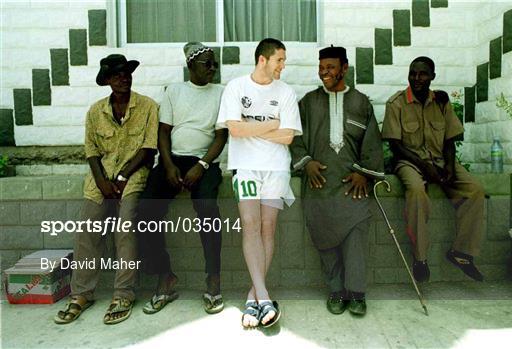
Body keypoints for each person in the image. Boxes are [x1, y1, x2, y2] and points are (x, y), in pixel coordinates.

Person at [54, 54, 158, 324]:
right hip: (101, 180)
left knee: (125, 227)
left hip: (134, 177)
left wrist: (123, 176)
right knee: (88, 229)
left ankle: (123, 293)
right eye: (116, 75)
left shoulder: (147, 106)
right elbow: (91, 152)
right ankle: (82, 293)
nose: (123, 78)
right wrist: (102, 182)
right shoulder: (95, 111)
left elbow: (148, 150)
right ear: (108, 81)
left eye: (126, 73)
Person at [290, 46, 384, 316]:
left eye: (330, 67)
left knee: (355, 239)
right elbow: (295, 138)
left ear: (344, 68)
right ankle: (335, 291)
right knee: (325, 239)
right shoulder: (307, 103)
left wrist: (364, 173)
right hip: (319, 187)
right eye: (321, 68)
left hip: (352, 186)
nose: (324, 73)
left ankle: (356, 294)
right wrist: (306, 163)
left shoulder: (361, 102)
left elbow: (372, 143)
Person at [216, 38, 302, 328]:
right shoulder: (236, 88)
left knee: (268, 228)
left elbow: (288, 136)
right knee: (250, 225)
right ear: (263, 60)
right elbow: (235, 129)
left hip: (276, 169)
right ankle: (264, 296)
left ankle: (254, 297)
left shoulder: (286, 92)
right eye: (279, 60)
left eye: (284, 61)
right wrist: (270, 125)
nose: (283, 66)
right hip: (245, 168)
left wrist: (250, 129)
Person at [137, 42, 227, 314]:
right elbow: (163, 132)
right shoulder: (174, 91)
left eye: (215, 64)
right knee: (145, 208)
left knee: (208, 208)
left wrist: (201, 164)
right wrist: (167, 165)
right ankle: (165, 275)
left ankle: (213, 279)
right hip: (173, 160)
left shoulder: (221, 93)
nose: (212, 68)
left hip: (204, 162)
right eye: (206, 64)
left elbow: (221, 136)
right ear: (190, 66)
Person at [381, 56, 485, 283]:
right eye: (413, 74)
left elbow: (449, 139)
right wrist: (426, 167)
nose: (417, 78)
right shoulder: (396, 103)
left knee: (475, 190)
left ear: (432, 77)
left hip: (440, 159)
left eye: (423, 74)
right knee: (417, 192)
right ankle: (420, 258)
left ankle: (461, 253)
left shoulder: (441, 101)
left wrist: (448, 165)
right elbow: (396, 146)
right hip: (409, 161)